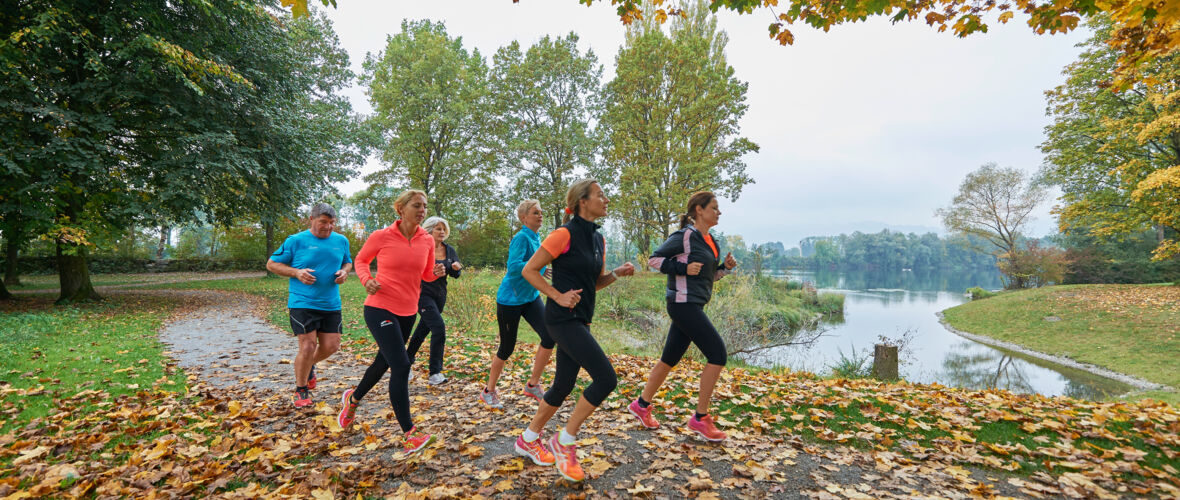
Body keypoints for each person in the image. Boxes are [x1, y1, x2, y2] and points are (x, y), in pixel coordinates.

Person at [513, 179, 635, 482]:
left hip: (581, 319)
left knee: (563, 385)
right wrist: (556, 295)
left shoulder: (598, 240)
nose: (606, 199)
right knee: (606, 378)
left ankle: (528, 439)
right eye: (601, 195)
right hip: (561, 318)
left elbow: (592, 284)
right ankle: (564, 441)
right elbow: (528, 270)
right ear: (583, 201)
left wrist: (615, 275)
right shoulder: (562, 233)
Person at [337, 190, 445, 455]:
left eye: (424, 206)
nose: (422, 210)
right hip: (379, 307)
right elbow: (361, 260)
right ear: (401, 209)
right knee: (401, 364)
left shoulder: (426, 240)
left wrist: (438, 272)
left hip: (408, 311)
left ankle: (353, 399)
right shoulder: (381, 236)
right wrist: (366, 280)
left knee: (382, 362)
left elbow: (426, 275)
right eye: (417, 206)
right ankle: (409, 433)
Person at [627, 191, 737, 442]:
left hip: (694, 304)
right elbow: (654, 259)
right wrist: (682, 268)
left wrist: (725, 269)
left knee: (669, 359)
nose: (719, 212)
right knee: (718, 354)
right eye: (715, 208)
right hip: (682, 304)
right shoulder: (684, 236)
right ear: (699, 210)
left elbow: (707, 277)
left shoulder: (712, 241)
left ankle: (641, 405)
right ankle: (700, 418)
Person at [266, 203, 352, 408]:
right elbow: (272, 264)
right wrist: (296, 272)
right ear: (311, 219)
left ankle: (308, 365)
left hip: (331, 303)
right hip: (302, 302)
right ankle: (301, 390)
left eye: (332, 223)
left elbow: (347, 262)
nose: (328, 227)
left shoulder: (341, 241)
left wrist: (345, 272)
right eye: (323, 222)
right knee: (308, 345)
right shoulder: (295, 241)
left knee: (331, 346)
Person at [480, 199, 556, 408]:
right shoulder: (521, 238)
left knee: (549, 337)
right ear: (524, 218)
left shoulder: (536, 237)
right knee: (507, 347)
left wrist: (542, 269)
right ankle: (489, 391)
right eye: (535, 213)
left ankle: (532, 384)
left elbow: (532, 264)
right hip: (510, 300)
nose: (540, 215)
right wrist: (539, 267)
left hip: (530, 298)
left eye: (541, 212)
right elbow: (514, 267)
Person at [405, 216, 461, 385]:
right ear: (429, 230)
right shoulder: (421, 247)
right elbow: (412, 268)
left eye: (443, 229)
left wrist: (456, 268)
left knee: (422, 331)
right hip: (422, 294)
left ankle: (405, 363)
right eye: (438, 228)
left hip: (440, 296)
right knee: (438, 328)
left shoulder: (449, 250)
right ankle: (435, 372)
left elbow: (455, 273)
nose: (442, 232)